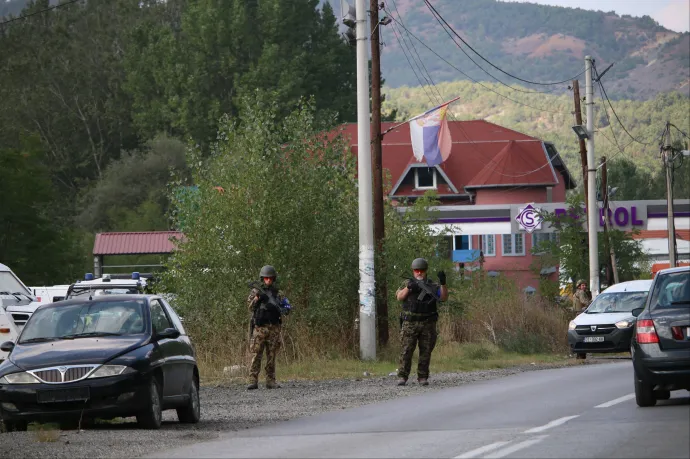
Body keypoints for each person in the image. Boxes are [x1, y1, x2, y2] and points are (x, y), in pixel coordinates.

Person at [395, 258, 449, 386]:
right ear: (413, 271)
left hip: (428, 323)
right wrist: (409, 288)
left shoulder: (432, 285)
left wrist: (443, 283)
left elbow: (443, 297)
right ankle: (402, 376)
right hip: (410, 323)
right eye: (416, 270)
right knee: (406, 350)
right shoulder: (407, 283)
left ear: (426, 271)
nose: (419, 273)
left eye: (422, 270)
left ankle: (422, 377)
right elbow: (399, 297)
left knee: (426, 351)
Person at [246, 265, 291, 390]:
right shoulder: (256, 292)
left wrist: (282, 309)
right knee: (256, 355)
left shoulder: (278, 293)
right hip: (260, 328)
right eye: (266, 278)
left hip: (274, 328)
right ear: (262, 279)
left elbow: (287, 308)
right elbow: (250, 307)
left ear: (273, 279)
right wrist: (258, 299)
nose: (268, 281)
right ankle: (253, 380)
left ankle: (270, 381)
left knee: (272, 356)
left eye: (270, 278)